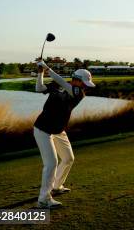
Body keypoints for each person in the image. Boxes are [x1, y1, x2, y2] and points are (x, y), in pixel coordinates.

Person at [33, 60, 95, 208]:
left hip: (59, 130)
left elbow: (61, 80)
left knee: (68, 158)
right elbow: (39, 88)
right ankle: (44, 199)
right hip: (43, 129)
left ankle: (57, 186)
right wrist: (41, 72)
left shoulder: (78, 93)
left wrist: (47, 67)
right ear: (77, 80)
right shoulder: (58, 86)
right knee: (51, 163)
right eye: (84, 83)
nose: (86, 86)